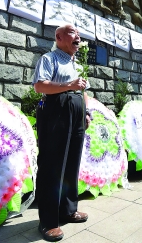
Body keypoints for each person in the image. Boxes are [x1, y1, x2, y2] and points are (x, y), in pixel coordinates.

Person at [32, 23, 91, 242]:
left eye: (78, 33)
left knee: (72, 162)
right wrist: (69, 85)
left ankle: (68, 210)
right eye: (72, 32)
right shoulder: (50, 59)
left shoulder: (74, 63)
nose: (78, 35)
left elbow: (80, 90)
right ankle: (48, 221)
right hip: (56, 112)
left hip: (76, 114)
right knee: (53, 165)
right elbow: (40, 86)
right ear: (59, 37)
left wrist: (87, 114)